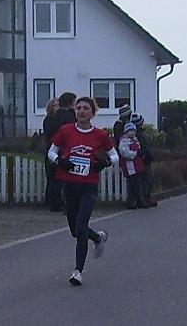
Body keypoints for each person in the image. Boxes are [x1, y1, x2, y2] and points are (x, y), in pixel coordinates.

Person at [47, 96, 119, 286]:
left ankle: (78, 271)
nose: (81, 111)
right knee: (74, 230)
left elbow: (115, 155)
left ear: (92, 113)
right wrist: (60, 161)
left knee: (80, 229)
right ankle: (97, 237)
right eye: (78, 108)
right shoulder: (66, 131)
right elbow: (51, 151)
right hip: (69, 185)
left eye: (85, 108)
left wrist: (103, 163)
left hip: (88, 186)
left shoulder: (100, 135)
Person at [43, 92, 77, 211]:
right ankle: (57, 203)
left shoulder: (52, 118)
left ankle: (52, 202)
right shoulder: (68, 116)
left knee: (53, 178)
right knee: (57, 178)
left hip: (52, 149)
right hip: (61, 149)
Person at [118, 122, 156, 208]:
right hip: (130, 166)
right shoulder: (124, 141)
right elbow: (124, 152)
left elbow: (139, 149)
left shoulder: (135, 140)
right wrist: (135, 154)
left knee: (138, 184)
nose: (132, 133)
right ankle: (133, 201)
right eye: (130, 131)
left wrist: (141, 154)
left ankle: (139, 200)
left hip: (138, 165)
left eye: (134, 131)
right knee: (132, 185)